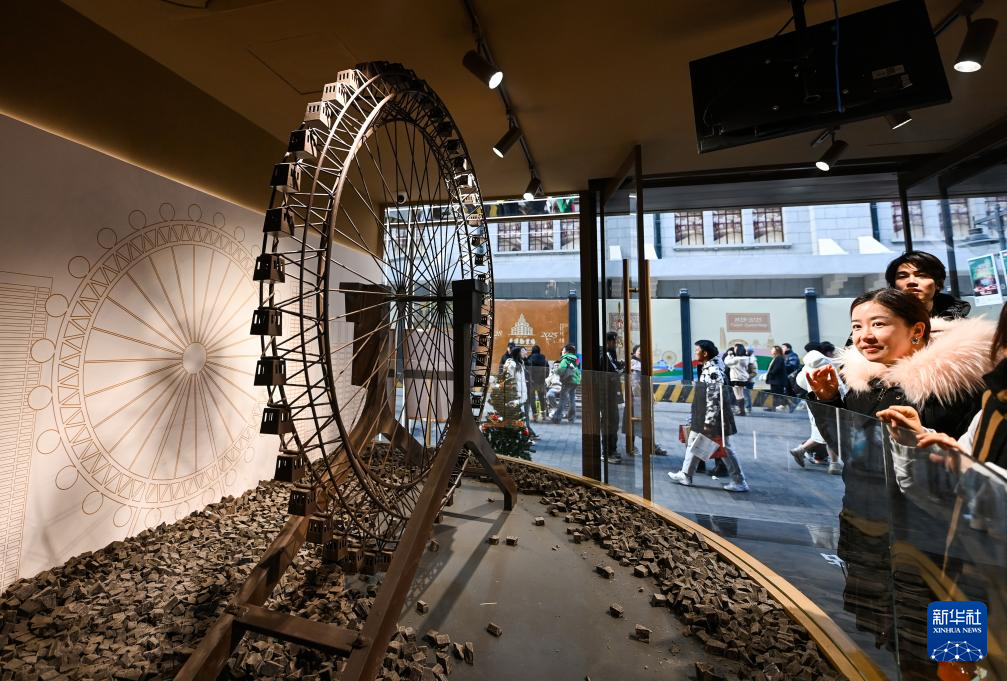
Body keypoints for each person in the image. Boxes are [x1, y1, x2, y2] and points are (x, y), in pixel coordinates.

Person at [806, 289, 993, 672]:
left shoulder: (956, 387)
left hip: (941, 546)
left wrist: (921, 438)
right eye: (857, 326)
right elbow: (851, 453)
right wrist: (829, 401)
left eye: (879, 324)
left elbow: (973, 464)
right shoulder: (866, 385)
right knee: (886, 634)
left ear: (917, 331)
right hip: (868, 530)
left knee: (952, 652)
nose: (864, 336)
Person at [668, 340, 749, 492]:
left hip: (713, 417)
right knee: (694, 442)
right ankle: (686, 474)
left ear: (705, 353)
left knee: (725, 448)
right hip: (704, 415)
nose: (695, 353)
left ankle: (739, 481)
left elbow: (714, 397)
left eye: (697, 350)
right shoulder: (710, 366)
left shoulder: (713, 371)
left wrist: (709, 422)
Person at [789, 346, 844, 474]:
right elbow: (840, 388)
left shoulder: (806, 368)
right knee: (831, 433)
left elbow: (800, 382)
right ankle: (834, 464)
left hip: (814, 403)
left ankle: (801, 451)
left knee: (823, 433)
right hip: (831, 404)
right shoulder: (828, 367)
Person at [884, 250, 971, 320]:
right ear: (893, 285)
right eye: (903, 276)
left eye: (922, 275)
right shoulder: (882, 322)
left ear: (938, 283)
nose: (911, 281)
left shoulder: (961, 326)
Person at [626, 344, 668, 456]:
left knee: (638, 424)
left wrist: (651, 395)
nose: (642, 353)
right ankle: (650, 446)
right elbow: (635, 385)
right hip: (637, 400)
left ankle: (638, 446)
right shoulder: (635, 365)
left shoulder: (641, 364)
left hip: (639, 399)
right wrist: (641, 399)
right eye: (639, 351)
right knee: (641, 423)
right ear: (634, 352)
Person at [502, 346, 535, 451]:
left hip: (521, 396)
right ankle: (516, 440)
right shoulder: (511, 364)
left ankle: (521, 439)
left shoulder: (520, 364)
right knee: (516, 419)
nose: (524, 352)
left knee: (520, 418)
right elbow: (508, 381)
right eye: (522, 351)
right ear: (517, 353)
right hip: (514, 396)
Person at [599, 332, 624, 464]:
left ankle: (612, 449)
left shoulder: (611, 354)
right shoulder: (605, 354)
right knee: (609, 422)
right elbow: (615, 372)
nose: (616, 345)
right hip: (606, 395)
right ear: (608, 342)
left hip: (611, 394)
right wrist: (623, 367)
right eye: (615, 342)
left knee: (614, 421)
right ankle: (606, 452)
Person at [550, 344, 581, 423]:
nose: (562, 351)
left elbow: (561, 370)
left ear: (567, 351)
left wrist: (556, 371)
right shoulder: (576, 359)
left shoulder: (565, 359)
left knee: (562, 400)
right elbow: (577, 368)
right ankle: (572, 418)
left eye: (563, 350)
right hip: (575, 380)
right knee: (572, 399)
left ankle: (557, 418)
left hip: (567, 380)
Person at [724, 343, 756, 416]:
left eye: (735, 349)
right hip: (743, 378)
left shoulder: (736, 359)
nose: (734, 350)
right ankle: (742, 410)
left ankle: (741, 411)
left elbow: (727, 362)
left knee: (738, 395)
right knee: (741, 394)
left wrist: (729, 355)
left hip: (736, 378)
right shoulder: (745, 358)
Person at [526, 344, 550, 421]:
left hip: (532, 382)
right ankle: (543, 415)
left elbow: (527, 370)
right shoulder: (544, 359)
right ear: (539, 351)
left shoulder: (529, 359)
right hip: (541, 381)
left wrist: (529, 379)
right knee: (541, 398)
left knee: (532, 398)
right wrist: (544, 377)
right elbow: (547, 371)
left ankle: (535, 415)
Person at [763, 345, 788, 411]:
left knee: (777, 394)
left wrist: (770, 374)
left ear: (776, 351)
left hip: (777, 380)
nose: (771, 350)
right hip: (775, 380)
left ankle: (775, 407)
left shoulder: (779, 358)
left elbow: (776, 369)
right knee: (776, 394)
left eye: (772, 349)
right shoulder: (776, 358)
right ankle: (775, 406)